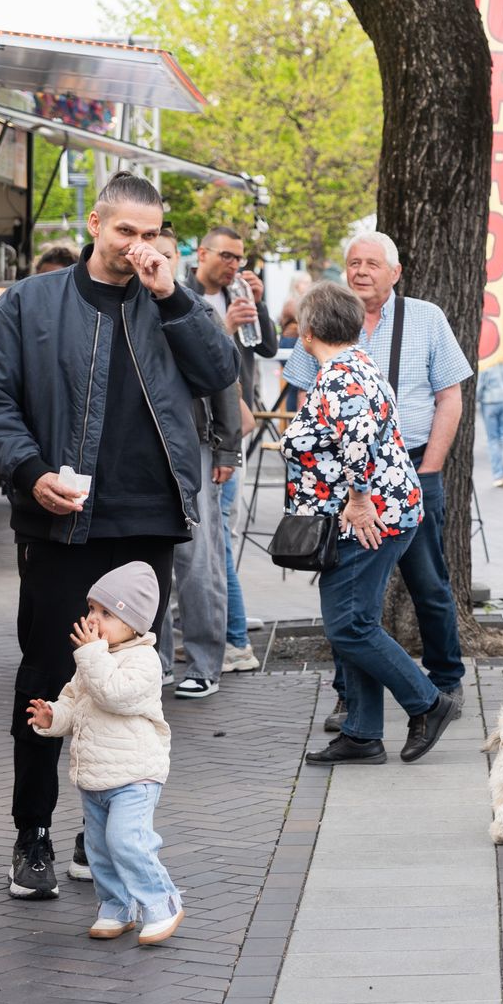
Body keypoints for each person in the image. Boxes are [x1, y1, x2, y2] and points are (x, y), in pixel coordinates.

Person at [0, 171, 238, 901]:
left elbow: (221, 374)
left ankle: (102, 833)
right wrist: (26, 472)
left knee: (126, 687)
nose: (139, 248)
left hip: (147, 521)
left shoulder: (172, 304)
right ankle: (32, 834)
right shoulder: (29, 305)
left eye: (151, 235)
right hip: (62, 521)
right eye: (126, 232)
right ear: (95, 224)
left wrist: (173, 295)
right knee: (50, 675)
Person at [284, 232, 472, 732]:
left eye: (371, 263)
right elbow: (310, 401)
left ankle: (439, 688)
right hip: (360, 488)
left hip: (387, 480)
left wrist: (425, 468)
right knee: (355, 611)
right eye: (353, 262)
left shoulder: (424, 318)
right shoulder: (336, 327)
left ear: (395, 271)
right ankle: (357, 714)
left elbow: (445, 397)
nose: (361, 270)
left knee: (422, 587)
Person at [25, 562, 185, 945]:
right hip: (95, 776)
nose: (93, 619)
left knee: (127, 841)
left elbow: (115, 695)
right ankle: (116, 906)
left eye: (106, 613)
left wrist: (92, 655)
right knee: (98, 850)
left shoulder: (143, 660)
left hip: (135, 775)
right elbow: (75, 703)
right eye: (91, 609)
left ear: (134, 623)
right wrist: (52, 716)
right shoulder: (91, 660)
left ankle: (162, 903)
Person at [148, 229, 240, 701]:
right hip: (143, 452)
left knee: (198, 559)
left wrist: (225, 449)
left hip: (193, 447)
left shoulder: (194, 309)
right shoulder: (128, 307)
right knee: (149, 559)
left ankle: (205, 662)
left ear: (177, 259)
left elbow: (225, 382)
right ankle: (158, 659)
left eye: (163, 253)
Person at [190, 225, 276, 676]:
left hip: (228, 431)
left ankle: (235, 638)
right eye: (226, 256)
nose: (233, 266)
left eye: (239, 259)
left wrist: (258, 305)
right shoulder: (183, 294)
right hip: (202, 426)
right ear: (201, 254)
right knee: (207, 538)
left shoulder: (240, 291)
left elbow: (268, 346)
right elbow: (191, 354)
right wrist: (222, 328)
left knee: (218, 536)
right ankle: (213, 630)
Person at [478, 358, 503, 486]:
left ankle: (498, 474)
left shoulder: (485, 362)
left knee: (493, 439)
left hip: (489, 402)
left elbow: (479, 386)